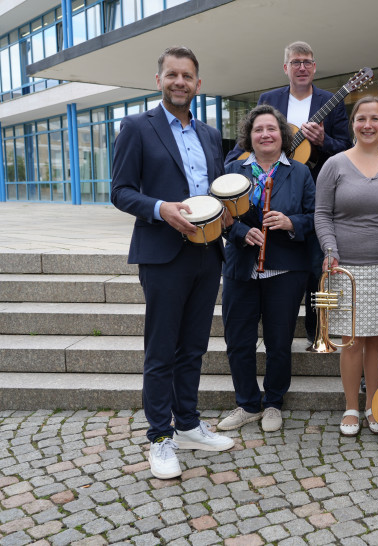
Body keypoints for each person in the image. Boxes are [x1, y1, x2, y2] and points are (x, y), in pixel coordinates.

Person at [111, 46, 234, 480]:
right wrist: (162, 208)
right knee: (161, 349)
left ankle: (187, 424)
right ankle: (160, 437)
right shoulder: (136, 128)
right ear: (159, 79)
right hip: (163, 253)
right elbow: (121, 191)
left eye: (188, 76)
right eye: (172, 75)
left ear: (198, 84)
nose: (180, 82)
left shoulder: (209, 134)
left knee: (194, 346)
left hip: (208, 251)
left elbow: (216, 194)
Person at [225, 41, 351, 344]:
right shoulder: (269, 99)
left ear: (315, 67)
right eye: (296, 62)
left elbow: (346, 148)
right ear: (286, 68)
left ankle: (315, 331)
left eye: (307, 61)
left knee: (313, 264)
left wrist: (323, 141)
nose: (302, 67)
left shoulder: (330, 101)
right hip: (265, 198)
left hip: (314, 192)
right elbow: (247, 145)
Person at [217, 104, 315, 434]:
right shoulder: (234, 170)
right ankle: (247, 403)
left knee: (278, 342)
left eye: (271, 129)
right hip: (241, 269)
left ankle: (273, 402)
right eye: (258, 129)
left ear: (282, 135)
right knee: (239, 341)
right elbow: (220, 216)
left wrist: (291, 222)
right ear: (250, 135)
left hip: (285, 271)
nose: (265, 134)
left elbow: (316, 216)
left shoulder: (299, 172)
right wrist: (242, 233)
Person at [315, 96, 378, 436]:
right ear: (353, 123)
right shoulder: (334, 164)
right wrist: (330, 249)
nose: (368, 125)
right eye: (361, 118)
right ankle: (351, 406)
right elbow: (321, 213)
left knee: (377, 342)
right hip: (344, 266)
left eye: (375, 119)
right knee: (350, 342)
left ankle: (373, 406)